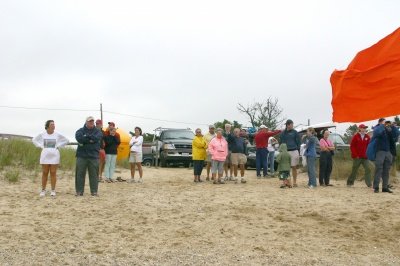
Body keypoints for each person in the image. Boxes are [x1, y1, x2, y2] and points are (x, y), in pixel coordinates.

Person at [32, 120, 69, 197]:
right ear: (48, 126)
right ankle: (43, 190)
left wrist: (58, 145)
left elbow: (66, 140)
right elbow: (34, 140)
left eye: (54, 124)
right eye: (52, 124)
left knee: (53, 172)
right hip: (45, 155)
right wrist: (41, 146)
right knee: (45, 172)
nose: (53, 125)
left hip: (54, 155)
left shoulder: (57, 134)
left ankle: (53, 190)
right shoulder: (42, 134)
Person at [75, 116, 103, 196]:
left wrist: (86, 137)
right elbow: (79, 138)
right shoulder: (80, 131)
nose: (91, 122)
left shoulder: (98, 131)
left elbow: (97, 138)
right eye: (89, 121)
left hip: (94, 156)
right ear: (86, 122)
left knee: (94, 175)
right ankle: (79, 191)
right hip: (81, 156)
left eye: (92, 121)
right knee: (80, 174)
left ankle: (94, 192)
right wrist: (91, 140)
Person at [372, 118, 397, 193]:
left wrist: (393, 126)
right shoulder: (377, 128)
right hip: (380, 151)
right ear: (380, 122)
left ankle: (385, 187)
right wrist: (382, 126)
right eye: (384, 122)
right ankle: (376, 187)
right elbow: (377, 133)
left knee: (386, 170)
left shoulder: (388, 129)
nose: (386, 123)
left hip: (388, 151)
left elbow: (396, 134)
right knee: (378, 168)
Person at [279, 119, 301, 186]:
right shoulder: (282, 133)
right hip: (285, 152)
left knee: (294, 167)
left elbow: (298, 142)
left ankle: (294, 182)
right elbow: (281, 143)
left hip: (294, 150)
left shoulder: (295, 132)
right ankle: (285, 182)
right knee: (284, 167)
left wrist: (298, 150)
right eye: (291, 124)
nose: (292, 126)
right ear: (288, 125)